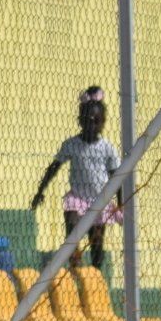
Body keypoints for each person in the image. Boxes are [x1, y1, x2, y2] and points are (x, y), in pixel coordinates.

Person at [32, 86, 124, 270]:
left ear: (103, 122)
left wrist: (121, 203)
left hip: (99, 200)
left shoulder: (107, 148)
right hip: (78, 197)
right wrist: (40, 191)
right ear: (80, 121)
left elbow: (116, 177)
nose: (91, 125)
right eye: (87, 120)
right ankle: (75, 262)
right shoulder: (72, 145)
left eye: (96, 121)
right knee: (71, 223)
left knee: (96, 242)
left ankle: (96, 272)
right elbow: (54, 167)